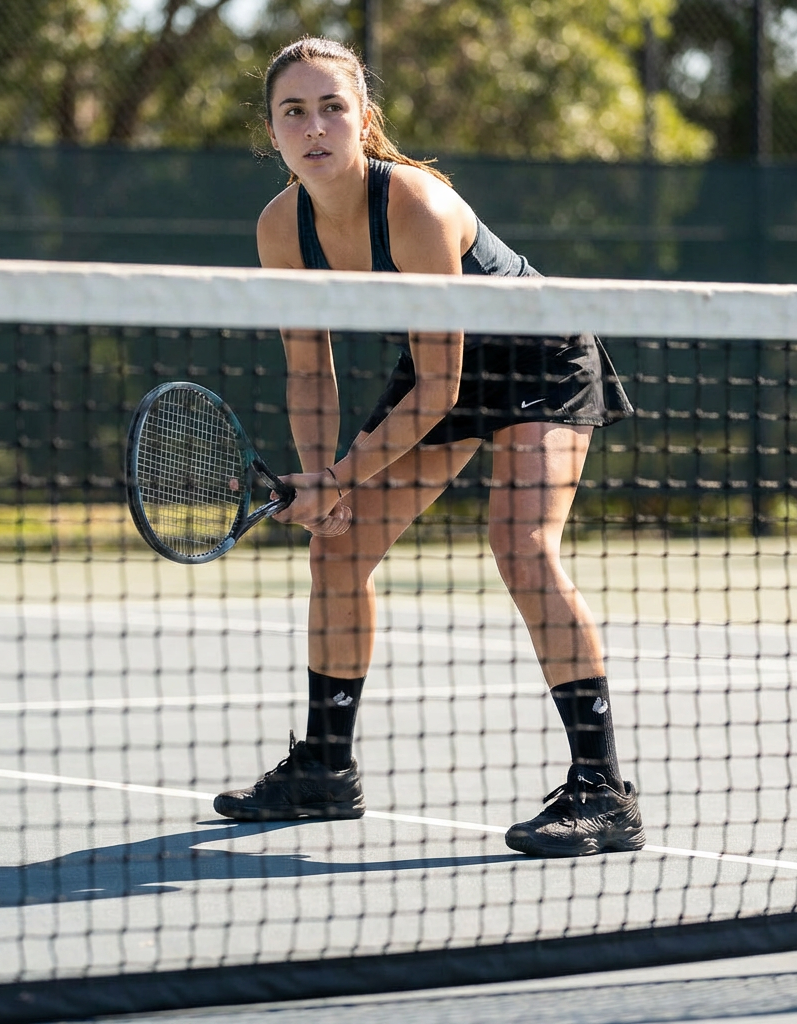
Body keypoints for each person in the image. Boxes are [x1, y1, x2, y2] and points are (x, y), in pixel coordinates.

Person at [212, 36, 645, 858]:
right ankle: (325, 770)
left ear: (363, 120)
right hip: (439, 370)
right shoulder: (281, 228)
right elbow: (310, 369)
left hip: (538, 356)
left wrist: (341, 473)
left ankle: (602, 790)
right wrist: (318, 485)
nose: (314, 126)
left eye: (332, 107)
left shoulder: (414, 205)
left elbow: (441, 391)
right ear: (271, 132)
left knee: (521, 547)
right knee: (335, 557)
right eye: (293, 112)